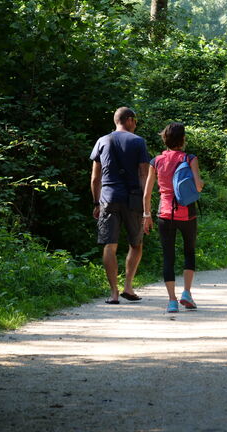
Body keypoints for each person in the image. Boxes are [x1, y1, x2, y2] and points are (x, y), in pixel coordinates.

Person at [90, 107, 151, 304]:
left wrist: (96, 202)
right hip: (132, 198)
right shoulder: (138, 142)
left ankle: (114, 293)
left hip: (108, 197)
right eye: (136, 120)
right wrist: (146, 205)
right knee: (136, 243)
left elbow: (94, 178)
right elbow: (144, 174)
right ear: (129, 120)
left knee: (110, 244)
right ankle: (128, 287)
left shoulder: (102, 141)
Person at [143, 122, 204, 313]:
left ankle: (171, 301)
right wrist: (198, 182)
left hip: (165, 213)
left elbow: (147, 193)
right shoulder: (190, 158)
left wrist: (147, 215)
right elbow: (199, 186)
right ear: (183, 139)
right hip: (187, 213)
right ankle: (186, 292)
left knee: (168, 257)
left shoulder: (156, 161)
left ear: (165, 139)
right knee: (189, 252)